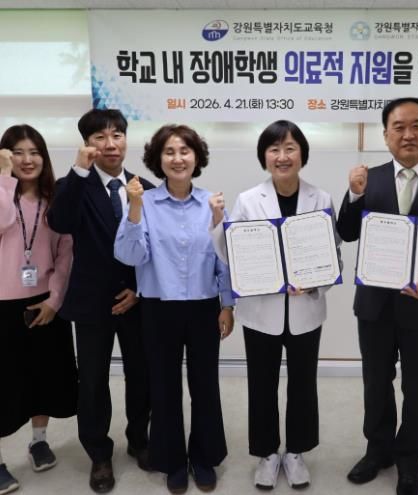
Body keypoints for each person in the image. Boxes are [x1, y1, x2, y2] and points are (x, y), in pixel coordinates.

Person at [336, 97, 418, 495]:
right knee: (376, 382)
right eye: (399, 127)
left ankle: (410, 463)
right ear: (385, 134)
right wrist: (354, 195)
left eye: (417, 125)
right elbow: (347, 232)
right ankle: (377, 451)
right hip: (374, 305)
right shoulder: (369, 179)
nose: (408, 134)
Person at [210, 120, 340, 491]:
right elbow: (230, 253)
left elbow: (333, 256)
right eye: (274, 149)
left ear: (302, 154)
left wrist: (314, 282)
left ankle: (296, 452)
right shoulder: (249, 200)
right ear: (264, 156)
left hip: (305, 310)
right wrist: (218, 222)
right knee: (261, 384)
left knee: (303, 384)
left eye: (290, 148)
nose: (282, 156)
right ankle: (267, 454)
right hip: (260, 312)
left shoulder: (321, 198)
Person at [115, 124, 234, 494]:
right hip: (158, 307)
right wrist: (135, 208)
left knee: (205, 385)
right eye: (169, 151)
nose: (178, 158)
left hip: (203, 307)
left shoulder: (212, 203)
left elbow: (224, 260)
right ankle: (171, 461)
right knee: (163, 387)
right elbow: (130, 255)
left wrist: (227, 304)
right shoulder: (144, 202)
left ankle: (203, 457)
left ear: (196, 157)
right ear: (158, 159)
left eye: (185, 151)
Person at [47, 109, 154, 493]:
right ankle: (99, 453)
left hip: (136, 301)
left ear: (126, 139)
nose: (110, 144)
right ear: (87, 144)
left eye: (117, 135)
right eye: (100, 137)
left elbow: (155, 248)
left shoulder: (145, 188)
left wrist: (138, 289)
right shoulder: (73, 184)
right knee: (92, 381)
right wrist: (79, 171)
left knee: (141, 375)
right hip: (92, 302)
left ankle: (140, 440)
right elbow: (60, 221)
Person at [0, 125, 77, 495]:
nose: (27, 159)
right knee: (4, 383)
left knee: (43, 377)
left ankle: (39, 440)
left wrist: (54, 300)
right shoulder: (2, 194)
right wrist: (3, 178)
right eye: (17, 152)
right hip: (2, 305)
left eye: (34, 152)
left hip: (45, 302)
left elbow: (65, 253)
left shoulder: (54, 200)